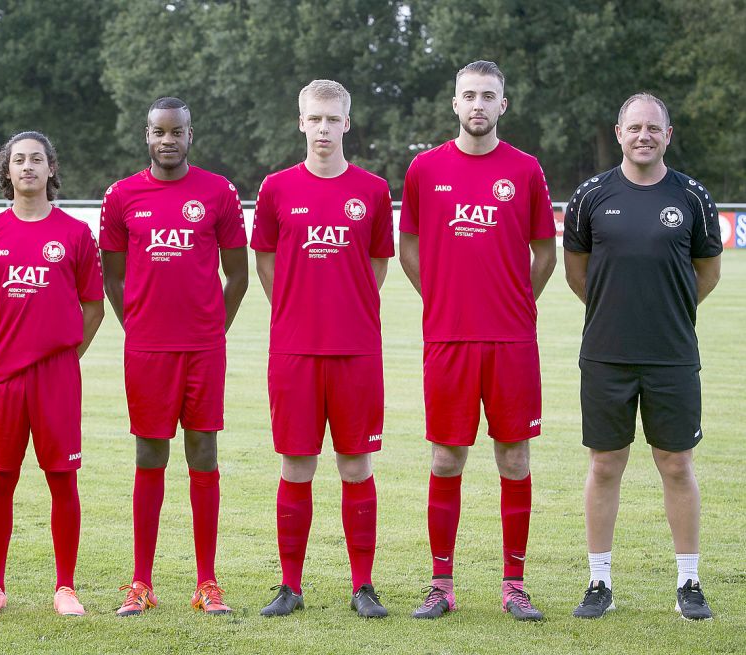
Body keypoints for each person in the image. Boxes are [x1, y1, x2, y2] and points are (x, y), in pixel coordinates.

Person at [399, 60, 556, 621]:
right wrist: (439, 297)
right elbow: (408, 248)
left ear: (503, 105)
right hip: (449, 338)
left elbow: (545, 253)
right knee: (446, 458)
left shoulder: (527, 170)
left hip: (512, 340)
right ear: (455, 103)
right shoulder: (424, 169)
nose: (478, 105)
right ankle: (441, 584)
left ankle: (514, 584)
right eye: (469, 95)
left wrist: (518, 302)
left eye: (489, 96)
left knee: (514, 457)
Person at [563, 93, 721, 621]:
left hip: (672, 354)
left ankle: (689, 581)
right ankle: (599, 581)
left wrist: (665, 312)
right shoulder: (590, 196)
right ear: (619, 133)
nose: (644, 136)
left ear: (668, 135)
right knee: (606, 465)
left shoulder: (693, 197)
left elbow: (708, 273)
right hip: (606, 354)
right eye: (635, 128)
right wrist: (618, 312)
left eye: (654, 128)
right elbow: (577, 272)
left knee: (676, 464)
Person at [252, 80, 394, 619]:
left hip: (356, 350)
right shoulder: (276, 189)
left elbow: (376, 267)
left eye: (333, 120)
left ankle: (363, 586)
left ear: (347, 124)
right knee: (296, 468)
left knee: (356, 467)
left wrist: (346, 306)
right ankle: (290, 586)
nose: (324, 129)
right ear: (301, 123)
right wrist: (295, 306)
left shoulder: (374, 190)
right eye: (314, 119)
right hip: (294, 351)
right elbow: (266, 261)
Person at [100, 97, 248, 616]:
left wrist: (212, 330)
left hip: (203, 350)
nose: (168, 139)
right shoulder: (121, 196)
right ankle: (141, 582)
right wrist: (136, 326)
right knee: (149, 455)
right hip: (147, 350)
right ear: (147, 135)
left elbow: (239, 276)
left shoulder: (218, 191)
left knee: (203, 454)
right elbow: (112, 277)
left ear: (191, 134)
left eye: (177, 131)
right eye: (159, 132)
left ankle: (207, 581)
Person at [0, 131, 105, 618]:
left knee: (62, 480)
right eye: (19, 159)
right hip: (3, 376)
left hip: (57, 378)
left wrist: (63, 354)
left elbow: (94, 308)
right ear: (7, 171)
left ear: (50, 169)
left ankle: (65, 587)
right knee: (0, 479)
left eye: (36, 159)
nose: (27, 167)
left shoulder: (75, 234)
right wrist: (9, 346)